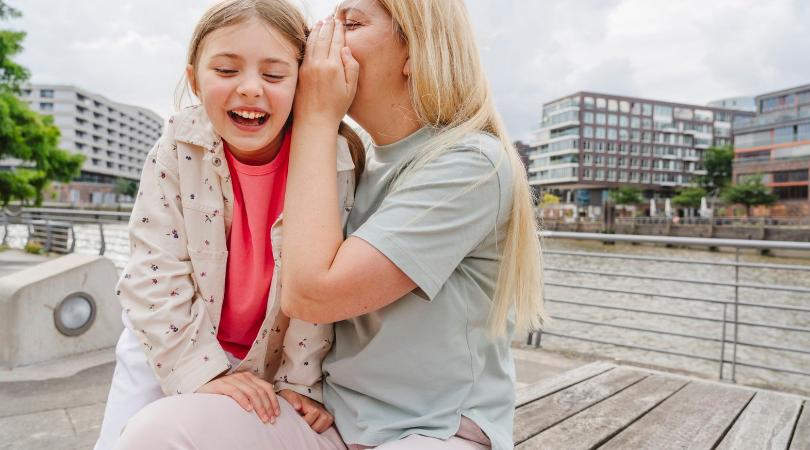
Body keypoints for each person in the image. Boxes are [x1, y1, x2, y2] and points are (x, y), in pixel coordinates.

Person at [115, 1, 544, 449]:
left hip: (433, 429)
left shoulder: (470, 164)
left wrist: (317, 115)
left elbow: (311, 295)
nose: (324, 34)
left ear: (417, 49)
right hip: (333, 424)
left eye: (351, 23)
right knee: (157, 432)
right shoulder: (362, 162)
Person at [94, 1, 363, 448]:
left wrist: (301, 383)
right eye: (226, 71)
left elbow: (317, 289)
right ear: (195, 79)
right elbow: (152, 275)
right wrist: (200, 370)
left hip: (273, 356)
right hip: (170, 340)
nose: (251, 89)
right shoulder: (175, 149)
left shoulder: (330, 161)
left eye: (275, 76)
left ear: (303, 84)